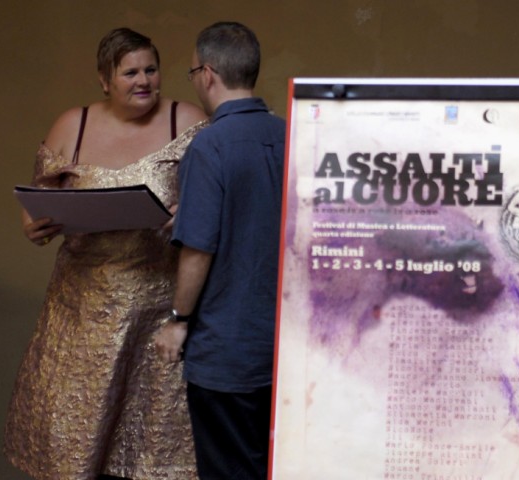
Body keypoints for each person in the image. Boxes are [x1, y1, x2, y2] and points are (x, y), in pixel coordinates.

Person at [4, 27, 207, 480]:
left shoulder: (187, 120)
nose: (144, 81)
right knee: (74, 453)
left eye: (151, 70)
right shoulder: (71, 124)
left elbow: (220, 196)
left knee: (152, 456)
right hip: (81, 311)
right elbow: (37, 199)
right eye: (130, 72)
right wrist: (33, 226)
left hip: (158, 308)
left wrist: (191, 210)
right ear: (104, 80)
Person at [155, 22, 285, 480]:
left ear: (207, 74)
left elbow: (198, 249)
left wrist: (178, 321)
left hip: (228, 353)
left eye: (192, 73)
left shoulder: (210, 145)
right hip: (288, 349)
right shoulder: (290, 134)